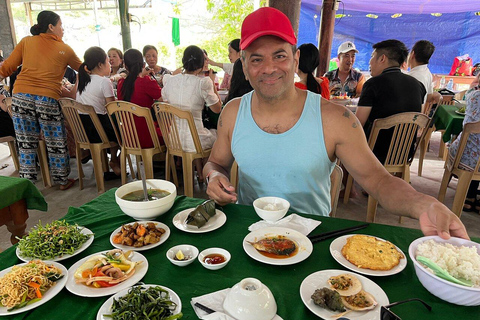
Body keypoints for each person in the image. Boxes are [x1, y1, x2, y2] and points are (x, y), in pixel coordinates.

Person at [203, 7, 468, 240]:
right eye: (256, 59)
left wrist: (423, 204)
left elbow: (377, 181)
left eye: (280, 56)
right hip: (252, 236)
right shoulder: (233, 112)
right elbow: (216, 163)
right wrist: (214, 177)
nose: (269, 68)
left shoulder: (335, 119)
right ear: (245, 67)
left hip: (313, 239)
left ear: (295, 61)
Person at [0, 10, 82, 190]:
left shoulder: (26, 42)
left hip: (21, 98)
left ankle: (28, 184)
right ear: (51, 27)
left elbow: (6, 68)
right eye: (61, 26)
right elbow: (84, 69)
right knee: (55, 141)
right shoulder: (65, 49)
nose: (63, 30)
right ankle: (61, 181)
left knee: (26, 143)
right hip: (48, 98)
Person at [355, 39, 426, 164]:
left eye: (372, 57)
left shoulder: (372, 84)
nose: (370, 62)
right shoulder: (418, 85)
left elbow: (358, 123)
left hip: (373, 153)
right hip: (405, 154)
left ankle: (346, 182)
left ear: (382, 59)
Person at [162, 45, 222, 182]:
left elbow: (166, 103)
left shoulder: (169, 80)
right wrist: (213, 85)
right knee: (217, 135)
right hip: (195, 141)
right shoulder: (203, 83)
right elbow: (217, 109)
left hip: (174, 140)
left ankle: (201, 173)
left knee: (199, 133)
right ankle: (208, 175)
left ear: (184, 61)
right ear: (202, 64)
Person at [74, 46, 120, 176]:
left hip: (83, 131)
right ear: (100, 65)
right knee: (123, 131)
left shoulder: (82, 81)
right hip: (100, 132)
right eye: (107, 61)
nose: (109, 64)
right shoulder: (104, 82)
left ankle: (107, 162)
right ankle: (114, 160)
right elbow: (112, 107)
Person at [117, 48, 163, 148]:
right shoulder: (146, 81)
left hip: (128, 136)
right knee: (173, 128)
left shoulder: (121, 84)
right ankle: (176, 162)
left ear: (125, 66)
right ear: (143, 64)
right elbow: (164, 98)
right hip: (148, 137)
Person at [448, 77, 480, 212]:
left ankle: (469, 194)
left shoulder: (474, 95)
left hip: (466, 156)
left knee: (469, 145)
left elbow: (472, 88)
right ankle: (474, 196)